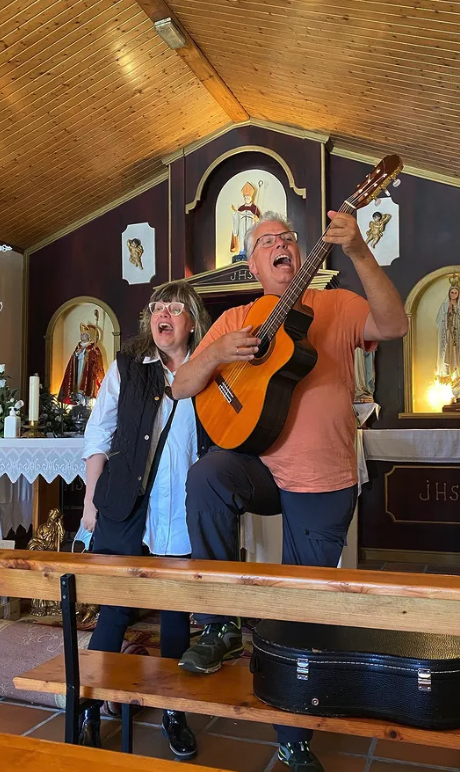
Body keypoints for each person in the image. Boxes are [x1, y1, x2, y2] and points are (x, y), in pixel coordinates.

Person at [172, 210, 408, 772]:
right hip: (257, 464)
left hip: (322, 479)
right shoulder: (233, 319)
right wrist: (213, 355)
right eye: (266, 242)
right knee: (207, 474)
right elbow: (182, 384)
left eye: (287, 239)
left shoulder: (335, 305)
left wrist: (358, 251)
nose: (280, 245)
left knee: (300, 613)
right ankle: (222, 621)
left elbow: (394, 324)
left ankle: (292, 738)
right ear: (252, 263)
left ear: (299, 255)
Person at [79, 280, 211, 758]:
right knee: (114, 610)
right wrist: (92, 503)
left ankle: (174, 711)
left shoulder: (211, 366)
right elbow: (99, 434)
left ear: (191, 319)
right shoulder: (127, 366)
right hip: (124, 504)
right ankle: (89, 712)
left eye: (174, 308)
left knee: (176, 614)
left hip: (182, 508)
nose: (163, 314)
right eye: (157, 307)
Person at [58, 321, 105, 404]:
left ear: (88, 336)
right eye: (81, 334)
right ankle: (78, 402)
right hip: (79, 368)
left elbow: (97, 359)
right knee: (78, 386)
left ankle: (87, 405)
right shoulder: (79, 345)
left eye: (84, 334)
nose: (82, 336)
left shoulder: (93, 346)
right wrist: (77, 354)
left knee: (87, 387)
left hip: (88, 371)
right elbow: (73, 358)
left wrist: (92, 353)